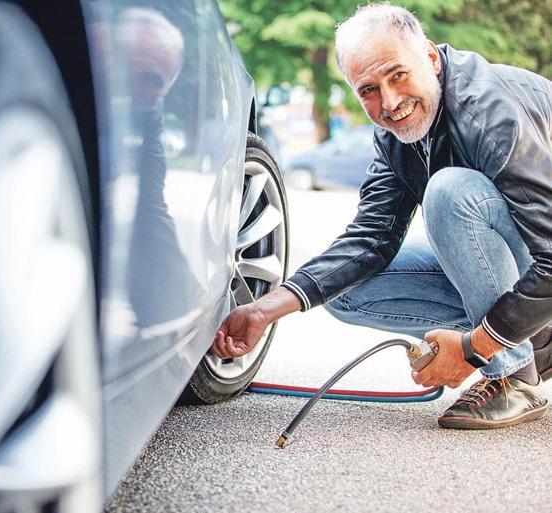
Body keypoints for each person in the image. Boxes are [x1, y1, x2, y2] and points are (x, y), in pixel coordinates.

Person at [212, 3, 552, 429]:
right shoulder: (395, 137)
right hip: (531, 285)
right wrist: (264, 309)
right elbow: (371, 239)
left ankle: (513, 377)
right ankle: (529, 335)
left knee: (450, 193)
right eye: (368, 90)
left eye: (397, 74)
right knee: (346, 290)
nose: (389, 102)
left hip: (544, 263)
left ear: (429, 57)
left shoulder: (489, 112)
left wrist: (474, 349)